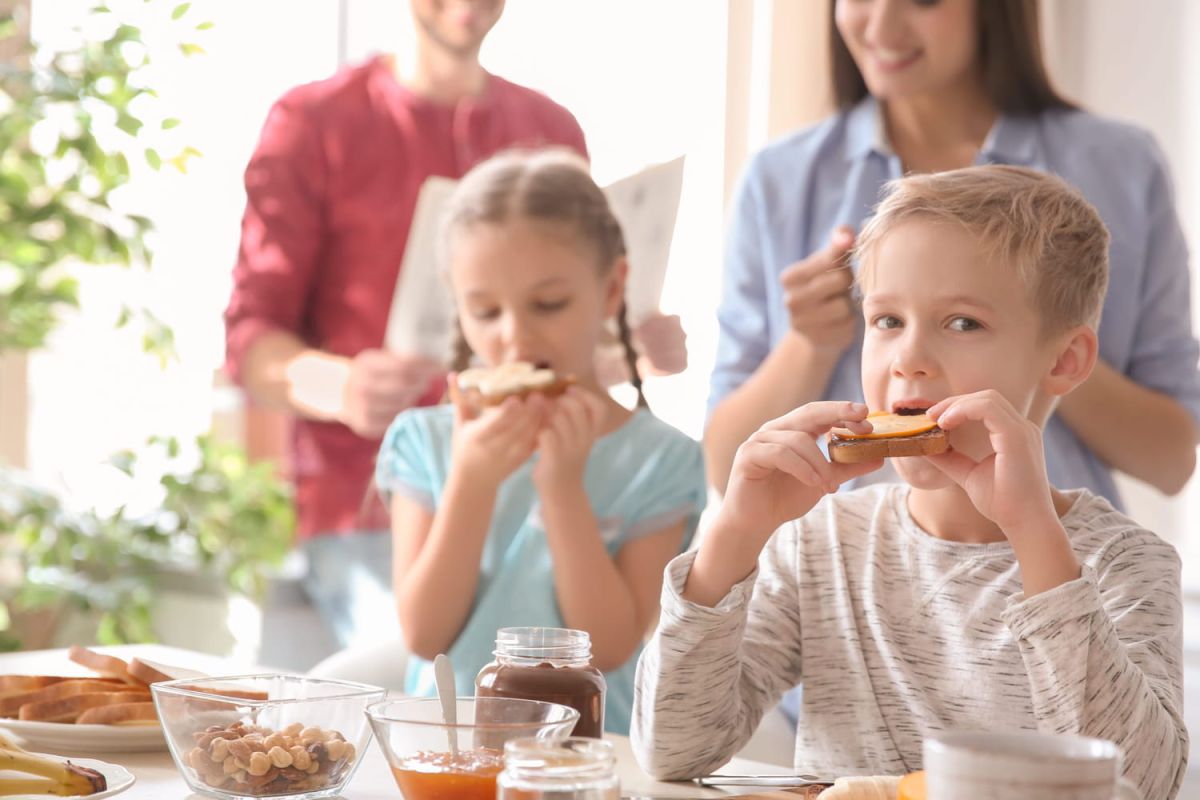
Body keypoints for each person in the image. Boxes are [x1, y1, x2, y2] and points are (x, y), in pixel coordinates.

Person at [633, 166, 1187, 800]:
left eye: (962, 324)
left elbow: (1140, 782)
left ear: (1063, 360)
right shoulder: (821, 545)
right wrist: (734, 533)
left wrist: (1033, 533)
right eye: (887, 320)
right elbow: (672, 750)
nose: (908, 357)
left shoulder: (1123, 563)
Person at [223, 0, 685, 652]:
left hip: (567, 481)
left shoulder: (551, 127)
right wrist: (345, 387)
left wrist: (623, 342)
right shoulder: (314, 122)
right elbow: (250, 339)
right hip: (371, 502)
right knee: (430, 660)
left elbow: (563, 324)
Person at [705, 0, 1200, 508]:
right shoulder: (777, 179)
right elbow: (726, 470)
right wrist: (809, 343)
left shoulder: (1121, 166)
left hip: (1056, 566)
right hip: (841, 578)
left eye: (921, 1)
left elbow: (1171, 459)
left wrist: (1035, 332)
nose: (881, 26)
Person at [375, 150, 706, 735]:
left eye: (549, 304)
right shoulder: (425, 440)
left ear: (611, 290)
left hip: (588, 758)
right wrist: (470, 482)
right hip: (448, 751)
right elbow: (425, 636)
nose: (515, 336)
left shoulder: (661, 460)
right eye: (484, 310)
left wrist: (561, 489)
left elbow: (607, 648)